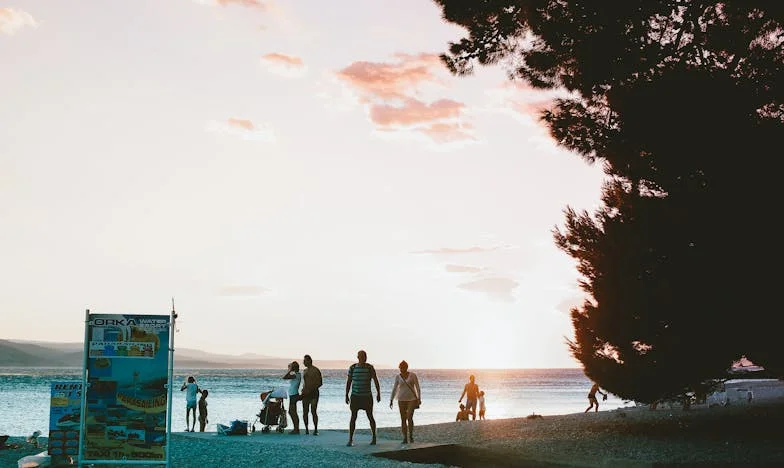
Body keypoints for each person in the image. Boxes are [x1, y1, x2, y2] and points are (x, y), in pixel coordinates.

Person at [345, 349, 381, 446]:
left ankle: (374, 438)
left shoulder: (370, 368)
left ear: (366, 357)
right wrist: (346, 395)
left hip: (367, 396)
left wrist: (378, 393)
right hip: (355, 396)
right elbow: (349, 382)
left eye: (364, 357)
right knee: (353, 417)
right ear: (358, 357)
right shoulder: (352, 368)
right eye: (361, 357)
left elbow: (375, 380)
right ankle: (350, 439)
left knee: (370, 416)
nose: (363, 358)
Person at [389, 360, 421, 444]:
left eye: (403, 367)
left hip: (412, 399)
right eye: (400, 367)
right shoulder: (398, 377)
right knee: (403, 419)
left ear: (406, 367)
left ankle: (410, 435)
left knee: (409, 417)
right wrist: (391, 399)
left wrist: (419, 398)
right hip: (401, 399)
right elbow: (395, 388)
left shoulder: (413, 375)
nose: (401, 369)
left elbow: (417, 387)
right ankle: (405, 437)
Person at [300, 354, 323, 435]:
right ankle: (306, 429)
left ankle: (316, 429)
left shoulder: (316, 370)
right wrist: (303, 390)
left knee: (313, 411)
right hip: (305, 393)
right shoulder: (305, 371)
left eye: (304, 360)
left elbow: (320, 383)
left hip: (314, 393)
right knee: (305, 412)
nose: (303, 362)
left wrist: (310, 389)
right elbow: (305, 383)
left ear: (309, 361)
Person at [283, 361, 302, 434]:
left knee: (292, 412)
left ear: (294, 368)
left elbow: (285, 377)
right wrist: (290, 369)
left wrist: (290, 370)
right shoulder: (296, 374)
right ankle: (296, 429)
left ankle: (296, 429)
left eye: (292, 366)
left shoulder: (295, 374)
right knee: (292, 412)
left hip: (294, 395)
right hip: (293, 394)